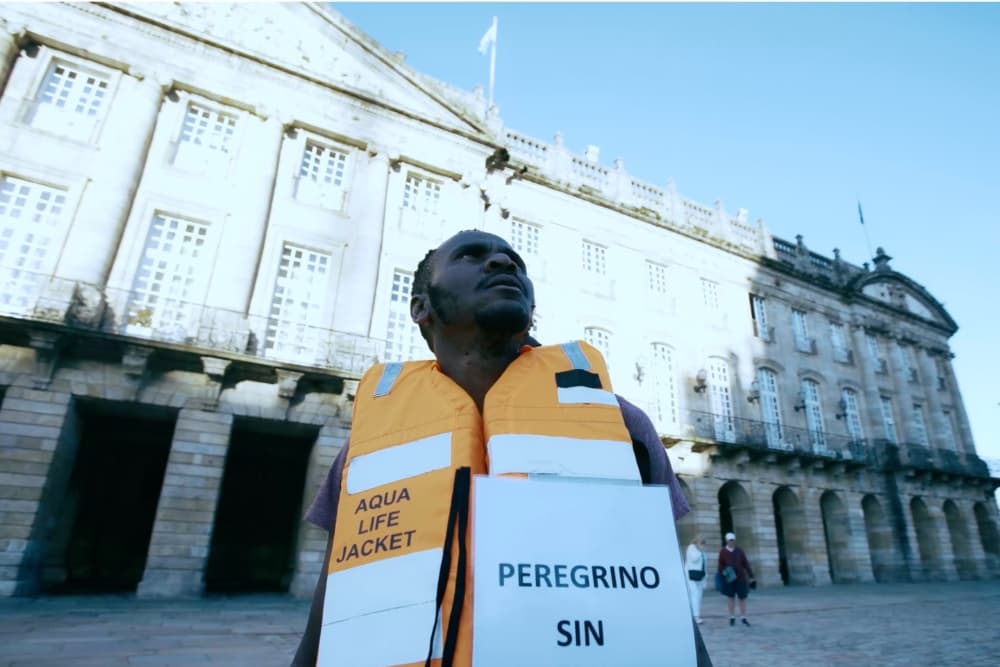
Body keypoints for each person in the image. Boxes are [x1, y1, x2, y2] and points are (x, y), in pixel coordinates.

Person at [291, 230, 712, 666]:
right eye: (471, 256)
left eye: (515, 261)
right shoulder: (370, 441)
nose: (502, 263)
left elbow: (665, 602)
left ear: (531, 310)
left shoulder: (623, 425)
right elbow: (335, 593)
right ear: (420, 307)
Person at [718, 531, 755, 627]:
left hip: (740, 578)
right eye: (730, 540)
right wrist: (724, 574)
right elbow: (720, 565)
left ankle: (743, 617)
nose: (731, 542)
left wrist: (751, 576)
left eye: (733, 540)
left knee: (742, 598)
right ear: (726, 541)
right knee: (730, 598)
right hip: (729, 579)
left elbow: (745, 563)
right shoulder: (723, 552)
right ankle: (732, 617)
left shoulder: (740, 551)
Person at [685, 535, 708, 624]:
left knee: (699, 596)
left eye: (704, 543)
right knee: (694, 595)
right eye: (701, 543)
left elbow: (704, 565)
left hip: (700, 576)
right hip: (692, 576)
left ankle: (695, 614)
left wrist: (706, 578)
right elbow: (693, 559)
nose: (703, 545)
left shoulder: (703, 552)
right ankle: (695, 616)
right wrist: (699, 550)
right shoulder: (691, 548)